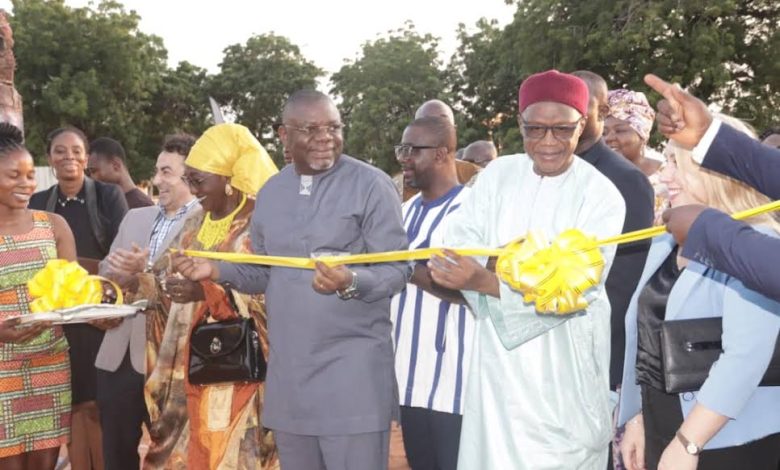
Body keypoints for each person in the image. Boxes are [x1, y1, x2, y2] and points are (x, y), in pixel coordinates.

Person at [172, 90, 409, 470]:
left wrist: (349, 281)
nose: (324, 137)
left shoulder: (371, 186)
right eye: (310, 129)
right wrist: (215, 271)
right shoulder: (272, 192)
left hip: (352, 380)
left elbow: (398, 272)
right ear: (283, 135)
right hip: (291, 382)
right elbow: (264, 273)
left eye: (333, 127)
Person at [428, 70, 625, 469]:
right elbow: (459, 243)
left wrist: (487, 276)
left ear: (582, 124)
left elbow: (576, 289)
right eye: (536, 129)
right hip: (497, 373)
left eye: (562, 129)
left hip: (564, 373)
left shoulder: (601, 196)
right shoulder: (498, 175)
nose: (548, 142)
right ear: (520, 124)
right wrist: (521, 266)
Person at [618, 123, 780, 470]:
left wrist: (688, 443)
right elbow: (645, 336)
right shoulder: (666, 240)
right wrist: (637, 418)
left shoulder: (756, 244)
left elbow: (745, 356)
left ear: (716, 173)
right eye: (667, 161)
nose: (666, 174)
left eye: (678, 163)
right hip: (663, 427)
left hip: (727, 441)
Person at [127, 123, 278, 469]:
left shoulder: (257, 223)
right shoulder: (194, 222)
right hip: (185, 369)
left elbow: (272, 291)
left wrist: (205, 290)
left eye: (199, 181)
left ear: (227, 177)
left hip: (238, 371)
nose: (193, 191)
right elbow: (163, 277)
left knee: (230, 454)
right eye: (189, 181)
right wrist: (141, 278)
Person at [94, 134, 200, 470]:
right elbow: (104, 270)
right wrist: (116, 282)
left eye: (166, 172)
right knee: (117, 454)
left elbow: (197, 286)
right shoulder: (134, 218)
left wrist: (144, 274)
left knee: (173, 457)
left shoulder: (205, 223)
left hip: (174, 361)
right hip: (118, 357)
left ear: (191, 175)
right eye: (157, 171)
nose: (157, 180)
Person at [29, 126, 128, 470]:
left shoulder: (107, 196)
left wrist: (71, 268)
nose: (68, 157)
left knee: (96, 405)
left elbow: (120, 255)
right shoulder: (38, 203)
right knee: (69, 406)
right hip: (58, 318)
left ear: (87, 158)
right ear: (49, 159)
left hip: (97, 314)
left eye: (76, 151)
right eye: (60, 151)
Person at [571, 70, 655, 470]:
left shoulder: (627, 180)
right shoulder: (545, 172)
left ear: (599, 109)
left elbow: (625, 284)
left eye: (577, 101)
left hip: (600, 360)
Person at [644, 74, 780, 305]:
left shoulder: (755, 239)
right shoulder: (662, 243)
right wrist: (706, 135)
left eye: (677, 162)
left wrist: (706, 231)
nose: (664, 177)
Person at [391, 116, 475, 470]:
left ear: (442, 154)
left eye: (413, 151)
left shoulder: (472, 210)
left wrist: (408, 267)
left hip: (453, 388)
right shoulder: (401, 213)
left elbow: (470, 291)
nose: (404, 159)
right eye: (401, 150)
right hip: (406, 380)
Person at [0, 123, 77, 470]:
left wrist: (107, 296)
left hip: (50, 361)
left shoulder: (54, 226)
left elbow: (73, 292)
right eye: (14, 175)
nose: (26, 183)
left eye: (31, 175)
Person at [393, 100, 481, 201]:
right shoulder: (397, 188)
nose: (436, 131)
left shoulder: (479, 178)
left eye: (442, 124)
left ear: (454, 131)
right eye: (426, 124)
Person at [605, 88, 668, 223]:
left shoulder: (668, 177)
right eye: (604, 132)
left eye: (620, 130)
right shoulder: (596, 176)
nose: (609, 138)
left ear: (642, 134)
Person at [87, 137, 154, 208]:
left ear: (116, 165)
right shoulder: (104, 204)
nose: (92, 178)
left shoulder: (143, 206)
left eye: (94, 171)